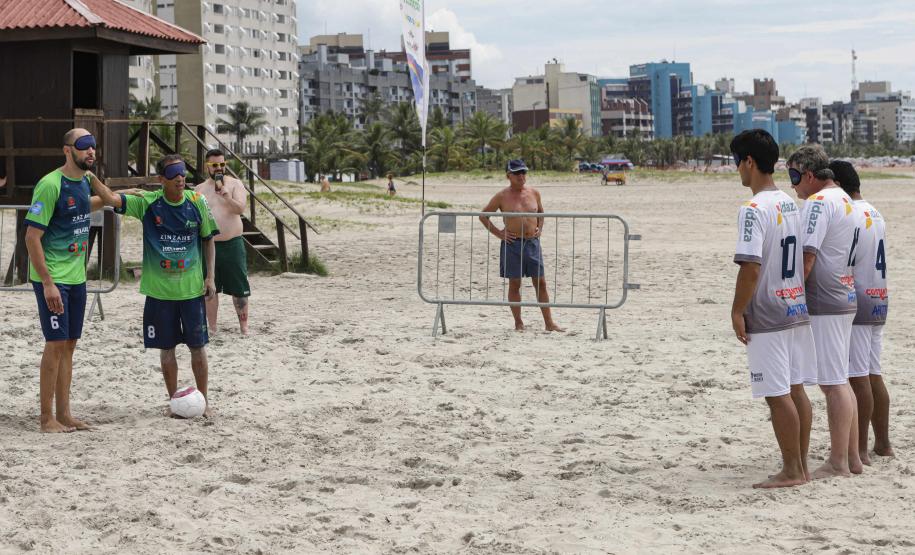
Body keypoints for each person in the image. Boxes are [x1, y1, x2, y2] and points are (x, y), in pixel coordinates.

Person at [729, 129, 815, 488]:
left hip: (768, 312)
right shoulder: (790, 204)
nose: (737, 169)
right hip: (795, 305)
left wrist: (737, 311)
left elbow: (750, 267)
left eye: (737, 162)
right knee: (796, 389)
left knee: (777, 394)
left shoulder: (753, 209)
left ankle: (792, 470)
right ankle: (801, 465)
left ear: (749, 162)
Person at [23, 128, 120, 432]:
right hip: (53, 278)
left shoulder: (84, 182)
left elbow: (93, 204)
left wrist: (119, 191)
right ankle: (46, 419)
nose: (91, 150)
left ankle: (64, 414)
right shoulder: (50, 184)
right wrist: (47, 282)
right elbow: (31, 237)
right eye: (83, 145)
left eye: (93, 145)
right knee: (55, 344)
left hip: (77, 278)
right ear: (67, 150)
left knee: (69, 345)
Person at [114, 154, 219, 416]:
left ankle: (204, 402)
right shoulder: (149, 203)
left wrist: (210, 277)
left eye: (182, 172)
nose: (180, 178)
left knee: (198, 348)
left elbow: (208, 239)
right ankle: (174, 402)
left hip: (191, 290)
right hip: (160, 293)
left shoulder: (197, 201)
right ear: (161, 179)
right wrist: (126, 191)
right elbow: (109, 199)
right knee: (166, 349)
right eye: (173, 173)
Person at [788, 145, 864, 478]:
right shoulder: (845, 199)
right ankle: (852, 457)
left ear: (808, 174)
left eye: (793, 176)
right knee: (839, 380)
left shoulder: (818, 203)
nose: (792, 184)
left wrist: (791, 298)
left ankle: (838, 462)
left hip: (826, 300)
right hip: (844, 294)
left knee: (832, 383)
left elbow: (806, 258)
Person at [829, 160, 893, 461]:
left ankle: (861, 449)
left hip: (859, 298)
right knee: (873, 373)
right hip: (879, 296)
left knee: (858, 377)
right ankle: (883, 443)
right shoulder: (875, 212)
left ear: (838, 186)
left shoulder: (849, 214)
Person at [479, 159, 563, 332]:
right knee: (515, 284)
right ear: (508, 176)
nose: (521, 176)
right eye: (517, 173)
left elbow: (541, 212)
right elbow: (483, 216)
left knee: (540, 282)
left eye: (523, 172)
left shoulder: (534, 193)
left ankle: (549, 323)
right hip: (512, 244)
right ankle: (518, 322)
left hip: (532, 243)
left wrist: (540, 227)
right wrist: (499, 233)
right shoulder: (502, 196)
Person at [196, 149, 251, 335]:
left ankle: (244, 327)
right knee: (209, 287)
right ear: (207, 166)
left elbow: (240, 209)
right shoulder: (200, 189)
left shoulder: (235, 184)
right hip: (208, 244)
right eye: (214, 165)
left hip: (232, 243)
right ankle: (212, 327)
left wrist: (227, 196)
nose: (218, 168)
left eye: (221, 164)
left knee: (239, 287)